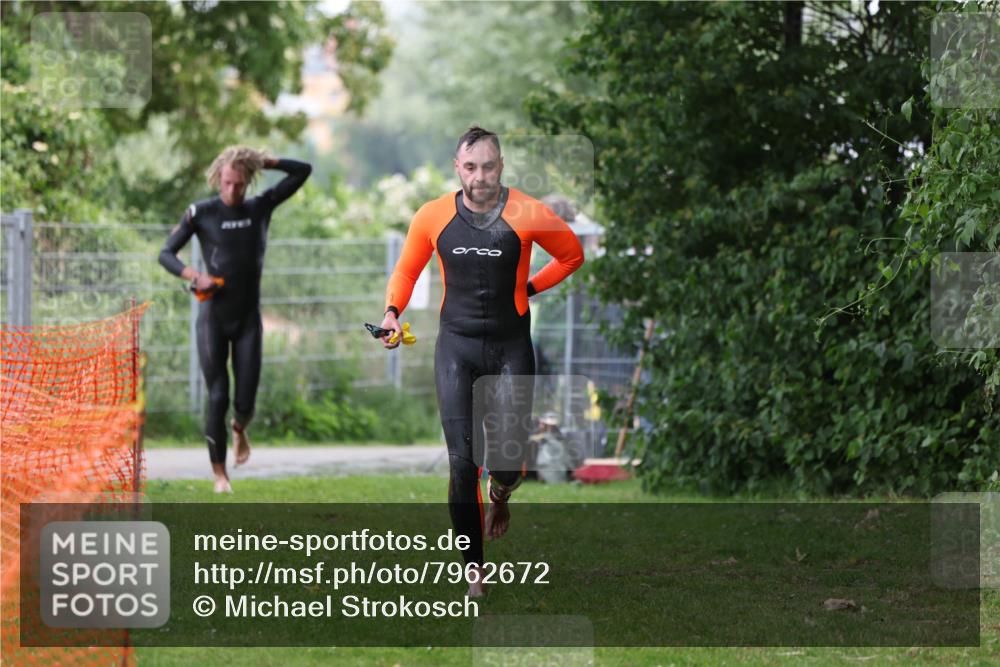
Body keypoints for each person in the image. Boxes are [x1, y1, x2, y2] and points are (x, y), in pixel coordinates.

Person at [380, 127, 584, 596]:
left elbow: (572, 255)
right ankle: (475, 570)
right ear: (458, 168)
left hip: (511, 348)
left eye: (488, 166)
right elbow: (407, 269)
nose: (479, 177)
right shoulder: (433, 216)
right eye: (470, 167)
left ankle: (503, 492)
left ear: (501, 166)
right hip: (457, 348)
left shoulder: (527, 212)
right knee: (461, 462)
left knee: (508, 463)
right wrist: (392, 313)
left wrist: (527, 289)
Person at [159, 146, 311, 493]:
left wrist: (267, 161)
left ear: (247, 182)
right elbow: (165, 253)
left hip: (247, 321)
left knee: (244, 401)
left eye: (239, 184)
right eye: (226, 183)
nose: (231, 191)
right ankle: (219, 475)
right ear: (218, 179)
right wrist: (193, 275)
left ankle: (240, 427)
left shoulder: (260, 207)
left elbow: (303, 171)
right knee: (218, 395)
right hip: (213, 317)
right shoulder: (202, 212)